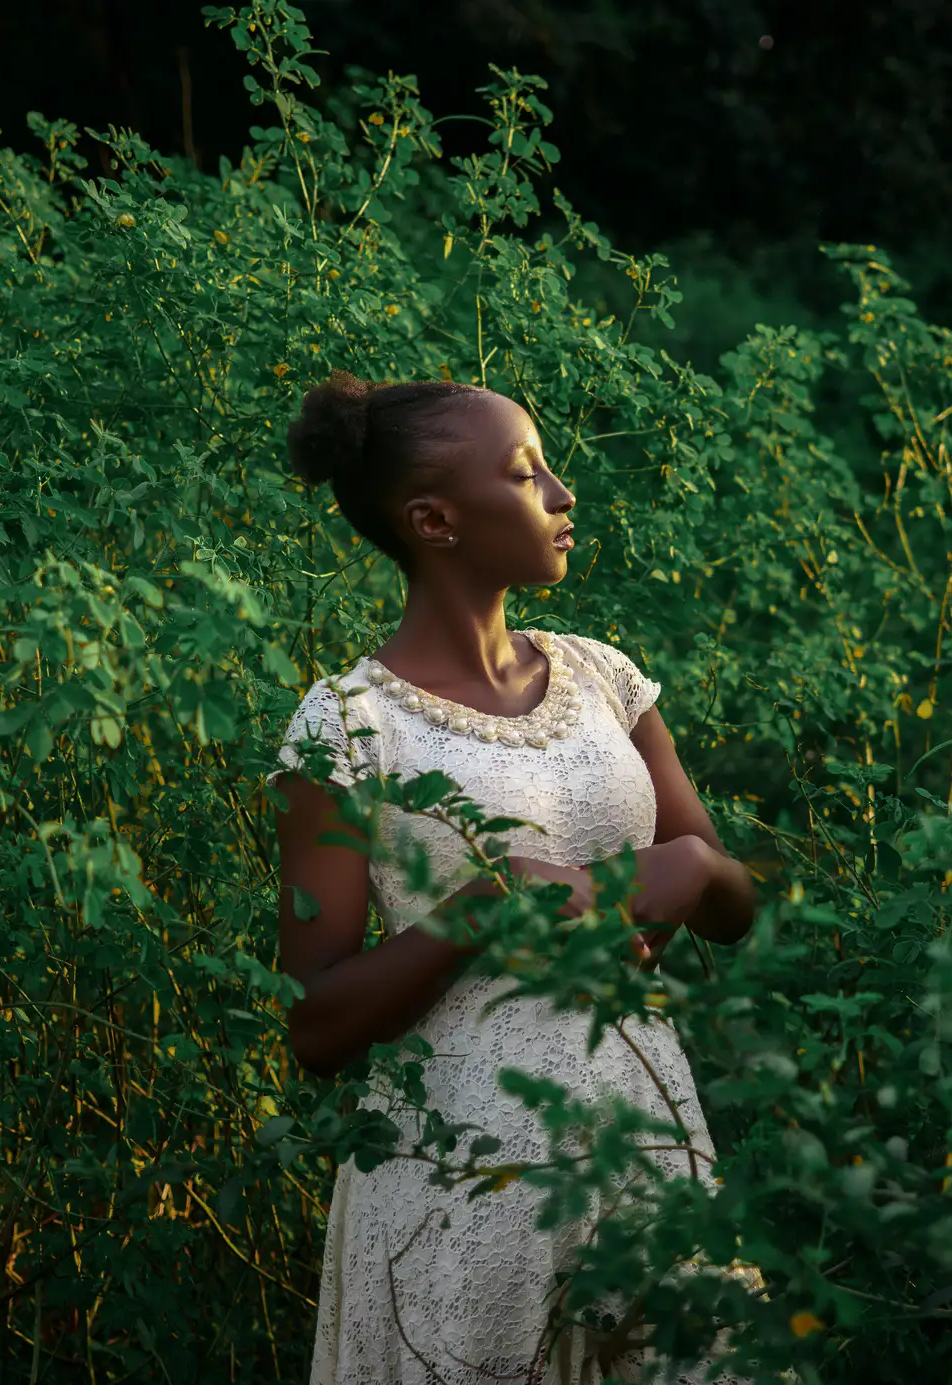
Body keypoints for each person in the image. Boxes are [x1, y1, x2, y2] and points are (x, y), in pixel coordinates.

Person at [268, 370, 758, 1385]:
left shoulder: (604, 677)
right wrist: (481, 906)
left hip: (643, 1143)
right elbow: (314, 1022)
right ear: (435, 519)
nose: (564, 493)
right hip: (459, 1186)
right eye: (527, 472)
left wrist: (696, 864)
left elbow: (733, 908)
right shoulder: (348, 726)